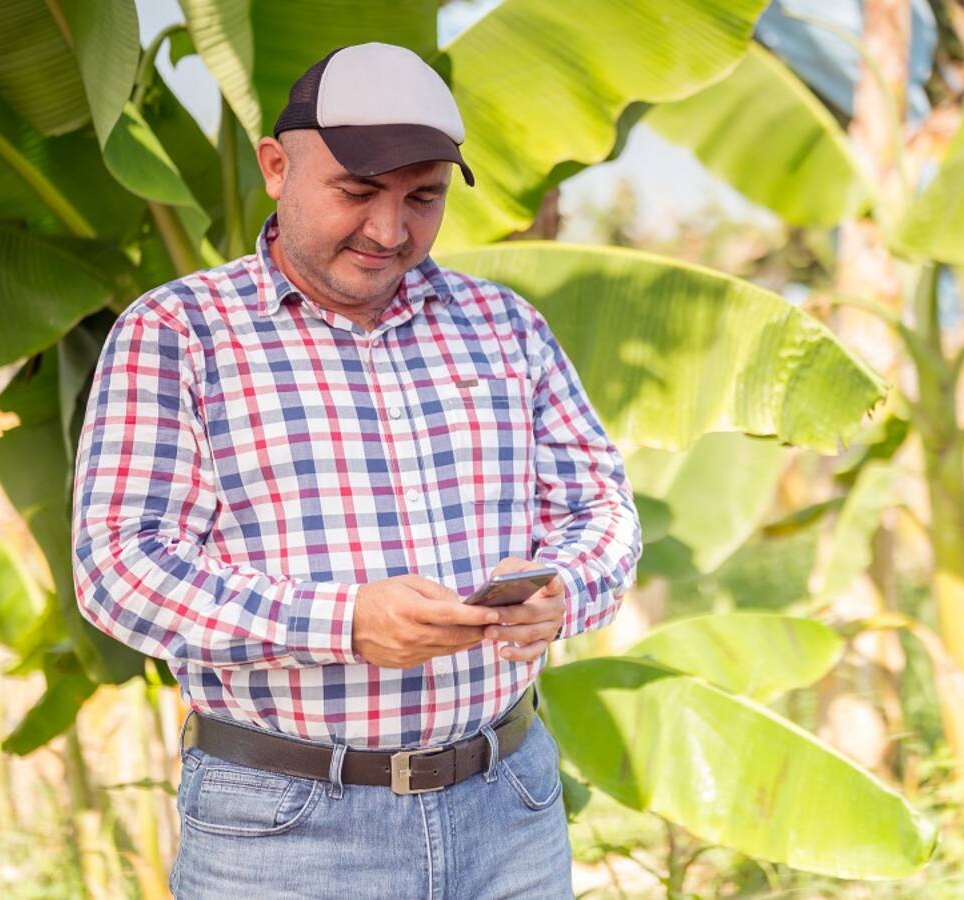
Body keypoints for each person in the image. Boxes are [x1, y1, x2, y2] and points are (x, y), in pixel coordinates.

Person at [71, 41, 642, 899]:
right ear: (274, 166)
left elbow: (600, 504)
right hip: (284, 829)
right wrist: (342, 624)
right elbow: (120, 568)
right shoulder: (179, 333)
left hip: (508, 808)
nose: (389, 231)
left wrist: (564, 586)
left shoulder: (505, 326)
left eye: (423, 199)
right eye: (357, 192)